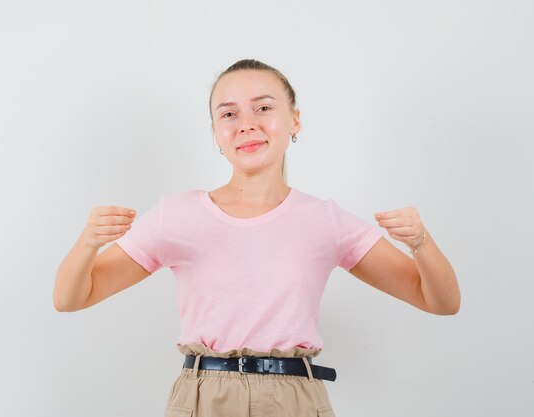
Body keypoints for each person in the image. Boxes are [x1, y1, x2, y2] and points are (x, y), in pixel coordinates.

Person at [53, 58, 461, 417]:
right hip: (202, 397)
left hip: (294, 398)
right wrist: (88, 242)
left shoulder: (326, 220)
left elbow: (440, 301)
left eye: (263, 108)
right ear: (215, 131)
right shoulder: (176, 215)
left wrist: (421, 244)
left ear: (294, 121)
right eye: (228, 114)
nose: (246, 123)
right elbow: (71, 298)